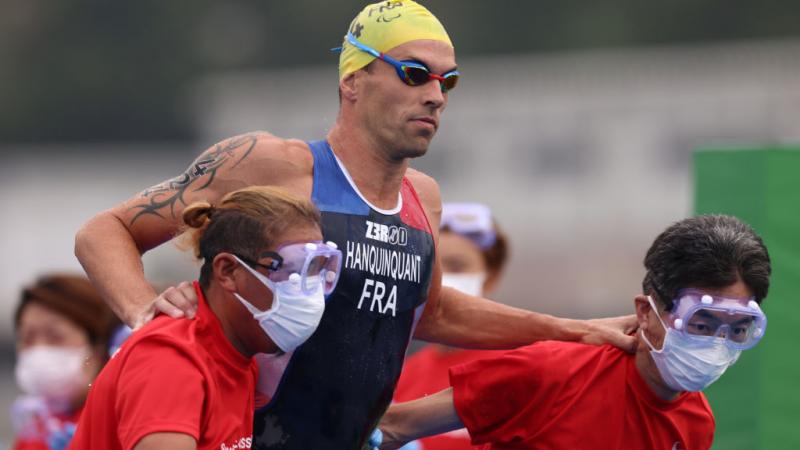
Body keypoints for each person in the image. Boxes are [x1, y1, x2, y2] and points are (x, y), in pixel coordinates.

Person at [74, 1, 636, 448]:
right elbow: (104, 231)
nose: (436, 96)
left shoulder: (423, 198)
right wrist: (145, 313)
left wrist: (575, 330)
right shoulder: (277, 164)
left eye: (449, 82)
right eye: (415, 74)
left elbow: (432, 311)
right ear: (352, 82)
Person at [376, 214, 771, 450]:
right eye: (701, 324)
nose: (715, 344)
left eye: (736, 330)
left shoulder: (697, 421)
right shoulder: (552, 371)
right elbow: (391, 428)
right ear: (646, 313)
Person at [67, 186, 341, 449]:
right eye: (289, 268)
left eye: (316, 269)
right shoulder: (172, 358)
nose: (309, 289)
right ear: (228, 271)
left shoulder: (239, 356)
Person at [393, 202, 509, 450]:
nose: (442, 281)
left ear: (491, 276)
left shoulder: (518, 367)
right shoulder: (401, 374)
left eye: (456, 266)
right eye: (433, 268)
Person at [12, 274, 120, 450]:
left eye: (56, 337)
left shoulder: (119, 420)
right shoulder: (36, 428)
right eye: (27, 338)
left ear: (99, 347)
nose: (39, 350)